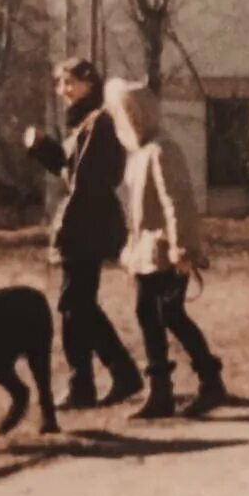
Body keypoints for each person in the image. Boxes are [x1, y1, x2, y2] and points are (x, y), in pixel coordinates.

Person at [100, 77, 228, 420]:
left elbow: (177, 202)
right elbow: (138, 212)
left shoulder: (162, 149)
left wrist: (183, 249)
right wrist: (130, 253)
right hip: (145, 252)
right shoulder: (139, 153)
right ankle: (162, 392)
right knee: (149, 316)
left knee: (169, 315)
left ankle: (209, 381)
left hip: (165, 252)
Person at [23, 59, 143, 410]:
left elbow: (86, 182)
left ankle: (86, 383)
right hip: (87, 220)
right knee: (79, 305)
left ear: (91, 83)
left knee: (74, 305)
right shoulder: (85, 124)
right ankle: (117, 373)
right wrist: (45, 150)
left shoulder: (99, 121)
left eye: (71, 82)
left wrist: (66, 228)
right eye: (60, 84)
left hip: (87, 222)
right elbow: (72, 171)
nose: (64, 90)